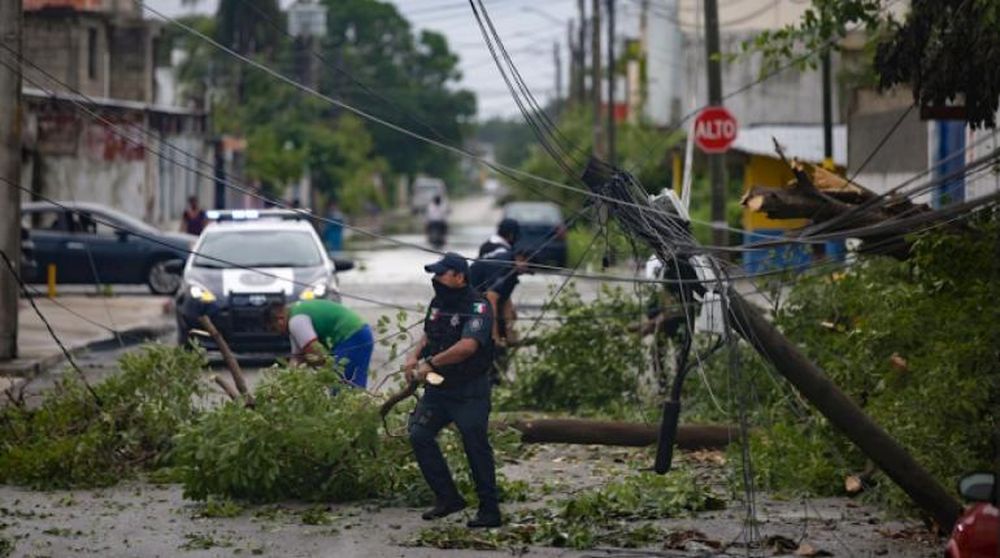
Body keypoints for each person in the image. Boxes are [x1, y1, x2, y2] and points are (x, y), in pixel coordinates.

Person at [405, 252, 501, 528]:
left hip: (469, 390)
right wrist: (414, 356)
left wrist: (430, 362)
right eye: (434, 274)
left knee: (475, 445)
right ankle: (448, 498)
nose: (436, 279)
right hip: (439, 389)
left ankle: (489, 510)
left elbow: (467, 347)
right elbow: (429, 333)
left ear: (459, 277)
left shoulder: (478, 307)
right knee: (419, 434)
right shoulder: (438, 302)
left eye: (441, 273)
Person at [271, 299, 373, 388]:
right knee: (351, 383)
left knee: (342, 387)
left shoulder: (296, 321)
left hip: (350, 336)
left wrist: (311, 365)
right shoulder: (295, 314)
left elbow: (318, 355)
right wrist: (285, 382)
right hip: (360, 332)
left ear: (280, 320)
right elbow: (297, 358)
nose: (278, 332)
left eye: (274, 328)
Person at [471, 218, 526, 347]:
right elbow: (493, 295)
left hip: (481, 298)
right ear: (511, 235)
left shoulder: (486, 246)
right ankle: (498, 339)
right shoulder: (505, 256)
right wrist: (494, 336)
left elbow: (501, 289)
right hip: (482, 302)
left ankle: (506, 336)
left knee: (509, 314)